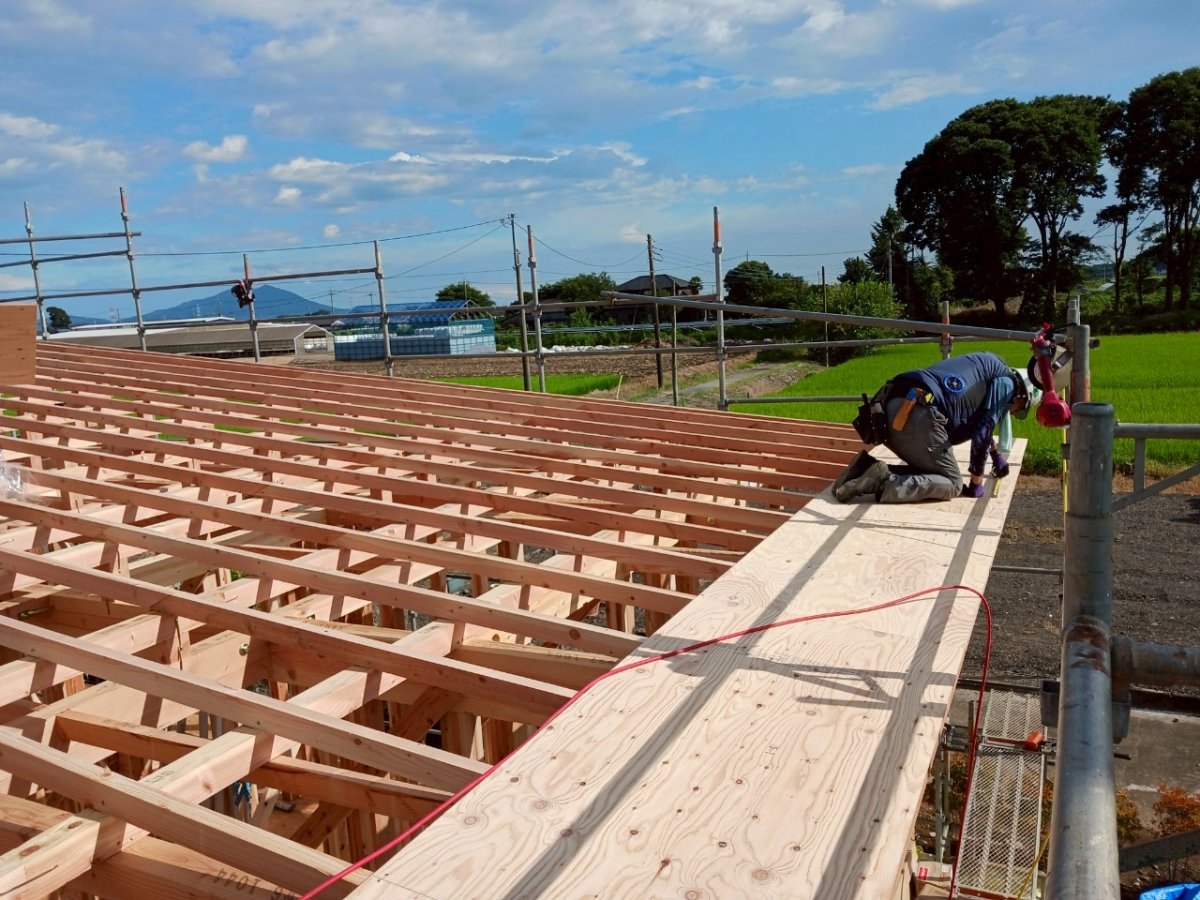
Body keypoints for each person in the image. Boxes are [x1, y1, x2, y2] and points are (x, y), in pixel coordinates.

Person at [833, 351, 1042, 503]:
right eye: (1017, 408)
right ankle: (883, 481)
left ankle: (863, 468)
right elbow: (983, 430)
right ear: (1021, 395)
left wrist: (996, 457)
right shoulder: (1008, 384)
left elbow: (982, 422)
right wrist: (976, 483)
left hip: (888, 409)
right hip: (918, 415)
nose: (1011, 412)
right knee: (952, 484)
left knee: (931, 473)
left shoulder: (990, 364)